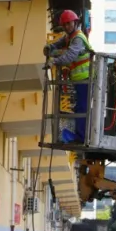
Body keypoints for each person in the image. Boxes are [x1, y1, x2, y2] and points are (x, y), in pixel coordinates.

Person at [44, 10, 92, 144]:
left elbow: (70, 56)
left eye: (69, 24)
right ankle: (80, 136)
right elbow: (58, 44)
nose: (66, 27)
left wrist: (54, 60)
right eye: (64, 25)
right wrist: (50, 47)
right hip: (79, 80)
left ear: (75, 23)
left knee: (82, 108)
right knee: (79, 108)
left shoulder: (78, 38)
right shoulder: (68, 37)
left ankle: (82, 138)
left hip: (86, 79)